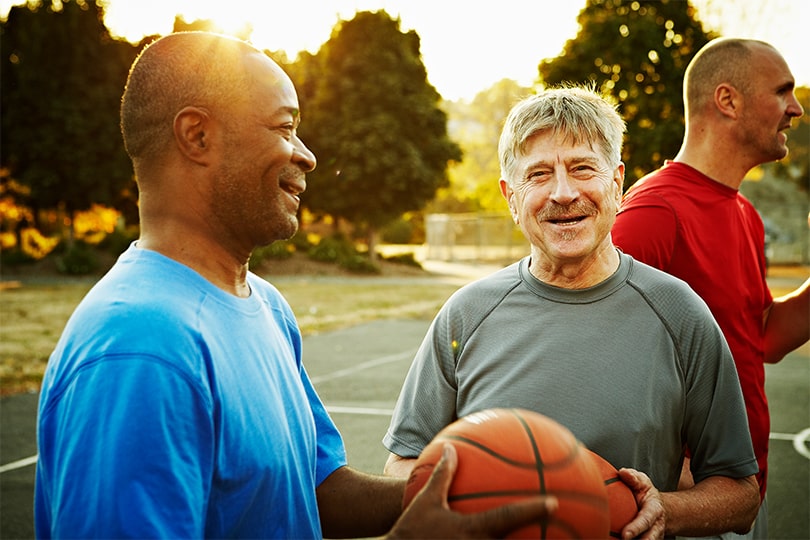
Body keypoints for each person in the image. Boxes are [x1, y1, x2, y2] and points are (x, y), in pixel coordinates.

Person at [33, 32, 557, 539]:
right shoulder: (140, 348)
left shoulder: (265, 306)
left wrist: (484, 495)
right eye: (285, 128)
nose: (306, 155)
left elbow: (316, 493)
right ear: (197, 136)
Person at [382, 86, 761, 539]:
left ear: (617, 182)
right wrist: (468, 498)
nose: (563, 193)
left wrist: (667, 510)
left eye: (583, 168)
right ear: (510, 198)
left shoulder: (680, 313)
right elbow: (404, 462)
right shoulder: (466, 314)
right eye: (539, 174)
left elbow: (740, 493)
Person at [612, 38, 809, 539]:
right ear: (728, 100)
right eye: (783, 91)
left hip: (744, 489)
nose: (796, 108)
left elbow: (762, 337)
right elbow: (589, 344)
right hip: (686, 502)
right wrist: (679, 481)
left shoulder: (745, 213)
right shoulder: (655, 212)